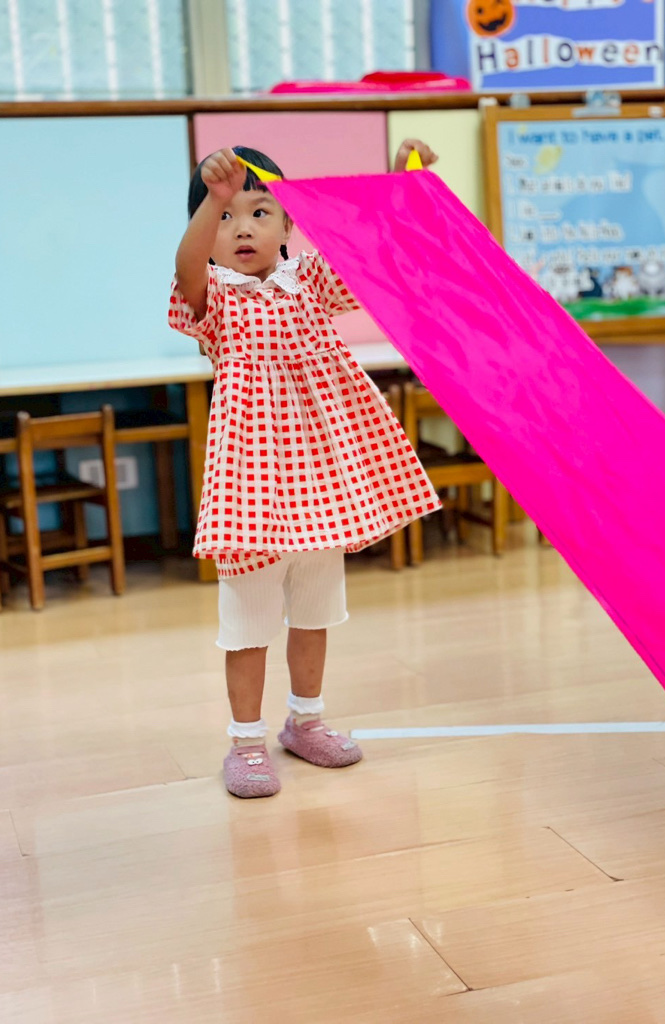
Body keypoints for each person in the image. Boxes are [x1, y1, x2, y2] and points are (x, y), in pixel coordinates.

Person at [169, 139, 441, 798]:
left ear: (290, 223)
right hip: (251, 489)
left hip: (323, 482)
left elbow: (374, 252)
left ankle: (306, 722)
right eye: (225, 217)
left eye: (260, 212)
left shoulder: (309, 282)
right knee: (247, 623)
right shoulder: (217, 298)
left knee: (316, 612)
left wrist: (401, 184)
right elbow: (186, 267)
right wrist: (211, 199)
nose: (242, 228)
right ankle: (245, 742)